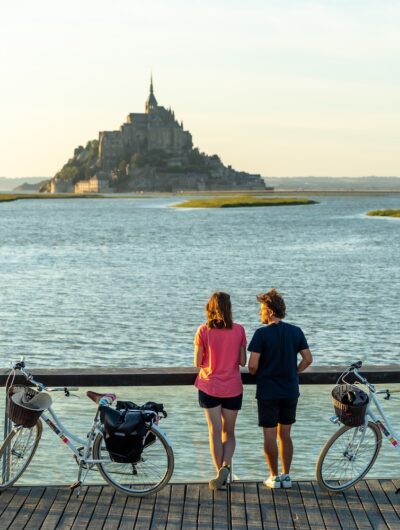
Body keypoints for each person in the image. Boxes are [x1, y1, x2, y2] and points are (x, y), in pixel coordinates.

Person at [248, 289, 312, 489]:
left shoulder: (261, 334)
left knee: (269, 435)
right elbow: (308, 359)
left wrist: (257, 373)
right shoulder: (296, 331)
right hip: (290, 389)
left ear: (268, 311)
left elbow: (252, 366)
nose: (260, 313)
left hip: (268, 391)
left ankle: (273, 477)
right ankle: (287, 476)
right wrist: (294, 371)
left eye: (261, 309)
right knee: (285, 434)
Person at [194, 292, 247, 490]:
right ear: (229, 308)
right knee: (229, 433)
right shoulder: (239, 330)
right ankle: (226, 466)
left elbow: (197, 362)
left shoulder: (203, 330)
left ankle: (220, 475)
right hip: (232, 387)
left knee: (214, 432)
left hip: (210, 387)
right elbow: (242, 361)